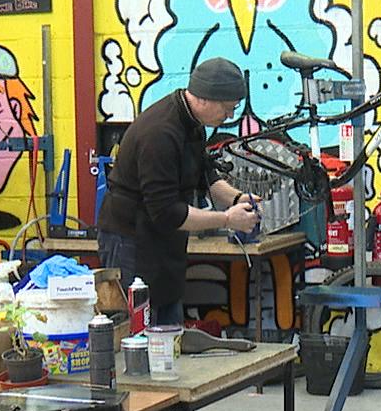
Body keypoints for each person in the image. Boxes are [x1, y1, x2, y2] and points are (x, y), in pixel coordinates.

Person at [98, 57, 260, 325]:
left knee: (169, 331)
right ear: (205, 98)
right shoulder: (160, 133)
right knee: (139, 331)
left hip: (163, 243)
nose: (230, 116)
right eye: (228, 109)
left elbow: (205, 175)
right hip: (131, 241)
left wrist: (237, 199)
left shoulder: (193, 123)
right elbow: (166, 212)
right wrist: (228, 219)